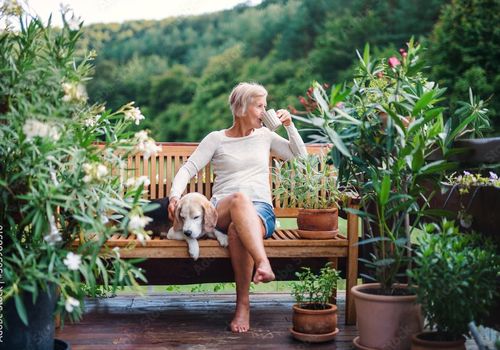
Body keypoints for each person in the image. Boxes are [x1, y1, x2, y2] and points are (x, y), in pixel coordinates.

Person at [168, 82, 307, 332]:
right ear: (242, 108)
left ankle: (243, 306)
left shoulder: (265, 136)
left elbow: (300, 158)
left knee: (236, 230)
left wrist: (290, 126)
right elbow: (188, 168)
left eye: (266, 106)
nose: (265, 112)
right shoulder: (216, 139)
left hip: (261, 211)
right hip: (219, 209)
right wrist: (174, 196)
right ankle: (263, 263)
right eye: (259, 106)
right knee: (239, 200)